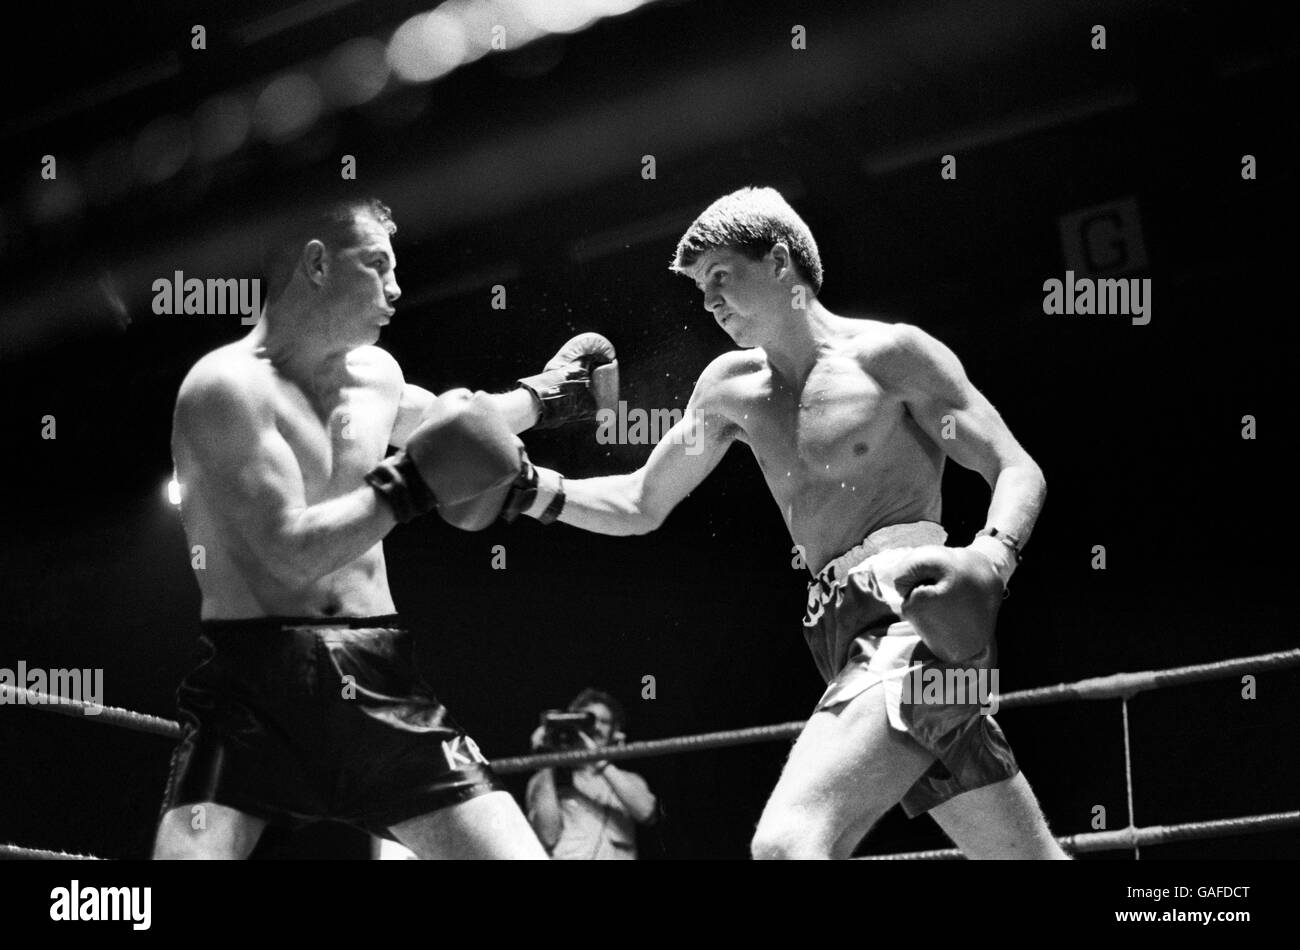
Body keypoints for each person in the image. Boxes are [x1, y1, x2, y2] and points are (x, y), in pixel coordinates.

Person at [543, 187, 1069, 859]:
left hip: (916, 620)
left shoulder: (890, 357)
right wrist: (534, 491)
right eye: (700, 290)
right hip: (840, 636)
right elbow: (642, 503)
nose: (709, 302)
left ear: (782, 261)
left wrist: (992, 560)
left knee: (787, 846)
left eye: (720, 277)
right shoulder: (731, 389)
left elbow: (1015, 468)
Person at [154, 196, 615, 859]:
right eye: (377, 265)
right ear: (317, 263)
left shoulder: (379, 374)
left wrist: (550, 396)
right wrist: (413, 485)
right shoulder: (225, 388)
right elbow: (288, 554)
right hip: (256, 686)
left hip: (380, 677)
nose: (397, 288)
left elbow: (454, 421)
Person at [524, 689, 658, 859]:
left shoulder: (630, 780)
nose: (596, 727)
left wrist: (597, 758)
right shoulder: (545, 779)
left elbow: (647, 813)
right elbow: (547, 838)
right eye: (588, 720)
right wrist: (546, 758)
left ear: (615, 731)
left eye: (603, 721)